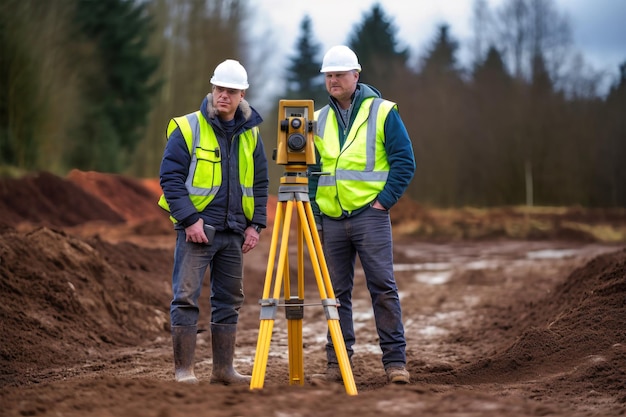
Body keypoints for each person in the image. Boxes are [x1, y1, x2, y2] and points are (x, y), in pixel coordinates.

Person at [309, 45, 416, 384]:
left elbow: (405, 162)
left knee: (383, 288)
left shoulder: (383, 112)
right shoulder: (319, 120)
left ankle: (395, 363)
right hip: (332, 220)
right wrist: (315, 210)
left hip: (370, 215)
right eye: (329, 75)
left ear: (357, 75)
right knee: (334, 296)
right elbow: (312, 171)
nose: (333, 80)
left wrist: (383, 202)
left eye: (339, 74)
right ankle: (337, 366)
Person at [158, 59, 269, 384]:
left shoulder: (251, 134)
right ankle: (184, 370)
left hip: (234, 231)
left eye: (231, 91)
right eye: (220, 89)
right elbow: (170, 178)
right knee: (186, 297)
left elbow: (259, 183)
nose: (224, 95)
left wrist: (255, 224)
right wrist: (190, 220)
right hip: (197, 232)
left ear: (242, 94)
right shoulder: (188, 127)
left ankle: (223, 370)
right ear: (212, 89)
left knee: (229, 301)